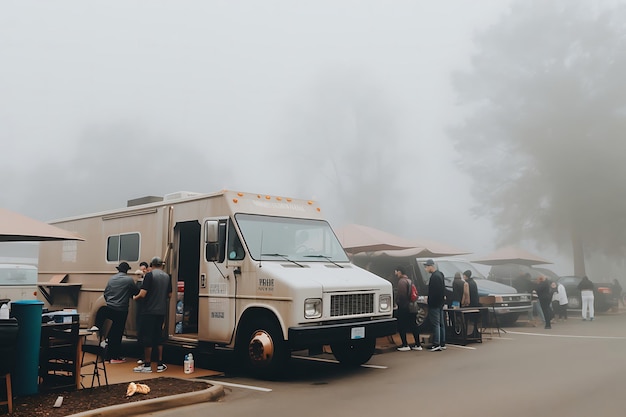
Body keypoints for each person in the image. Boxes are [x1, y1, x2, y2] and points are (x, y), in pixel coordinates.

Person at [133, 257, 172, 373]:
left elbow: (143, 293)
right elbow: (169, 295)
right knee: (158, 337)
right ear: (161, 265)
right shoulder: (167, 277)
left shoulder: (150, 276)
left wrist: (135, 297)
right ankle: (160, 364)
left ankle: (147, 365)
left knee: (147, 337)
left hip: (149, 310)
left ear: (152, 265)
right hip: (161, 311)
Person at [103, 261, 139, 363]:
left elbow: (105, 293)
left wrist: (111, 301)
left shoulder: (111, 279)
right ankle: (115, 357)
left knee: (111, 333)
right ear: (127, 270)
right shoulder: (128, 280)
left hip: (110, 308)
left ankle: (108, 356)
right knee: (118, 333)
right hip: (121, 310)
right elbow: (136, 292)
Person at [394, 266, 422, 351]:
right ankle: (418, 344)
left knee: (402, 326)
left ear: (399, 272)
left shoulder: (401, 282)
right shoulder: (409, 281)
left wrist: (397, 302)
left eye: (396, 271)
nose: (395, 273)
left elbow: (402, 296)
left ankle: (405, 345)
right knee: (413, 325)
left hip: (404, 307)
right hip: (412, 307)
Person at [425, 259, 446, 351]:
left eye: (426, 267)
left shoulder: (434, 277)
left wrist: (430, 302)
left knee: (436, 324)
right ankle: (442, 343)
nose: (426, 269)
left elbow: (435, 292)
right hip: (440, 303)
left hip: (434, 304)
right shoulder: (440, 274)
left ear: (431, 266)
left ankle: (436, 343)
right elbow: (442, 290)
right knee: (441, 324)